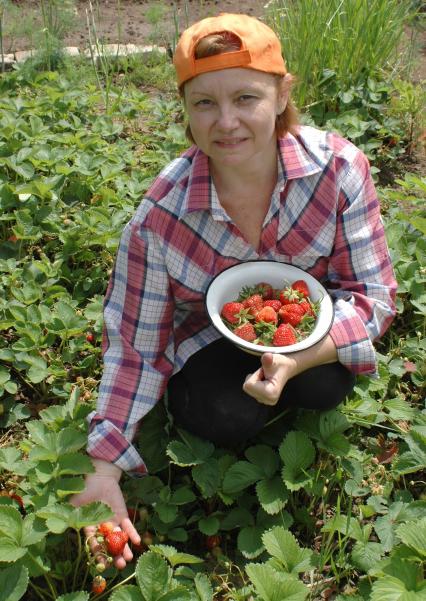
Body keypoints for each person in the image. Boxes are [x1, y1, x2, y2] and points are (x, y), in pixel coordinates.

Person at [71, 13, 397, 568]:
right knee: (224, 416)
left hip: (303, 331)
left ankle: (298, 382)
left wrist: (299, 359)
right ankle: (243, 406)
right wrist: (102, 466)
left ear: (282, 92)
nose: (226, 122)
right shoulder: (161, 218)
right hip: (208, 338)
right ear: (184, 109)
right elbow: (134, 342)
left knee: (323, 388)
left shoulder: (339, 169)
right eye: (204, 103)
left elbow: (373, 295)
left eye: (246, 97)